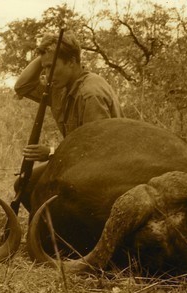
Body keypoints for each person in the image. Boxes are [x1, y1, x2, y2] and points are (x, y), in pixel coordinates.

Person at [13, 31, 121, 208]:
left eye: (51, 68)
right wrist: (46, 57)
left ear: (72, 62)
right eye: (44, 68)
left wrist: (51, 153)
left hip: (104, 169)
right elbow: (22, 86)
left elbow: (98, 150)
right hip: (78, 163)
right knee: (24, 185)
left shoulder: (90, 93)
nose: (46, 75)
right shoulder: (60, 87)